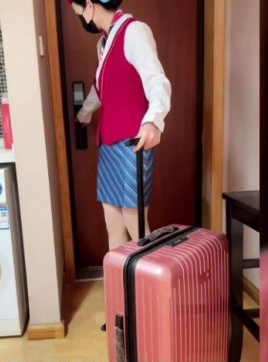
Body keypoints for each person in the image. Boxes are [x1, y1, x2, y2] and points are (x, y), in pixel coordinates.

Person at [68, 0, 171, 250]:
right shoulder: (103, 43)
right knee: (112, 220)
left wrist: (154, 121)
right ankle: (117, 276)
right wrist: (84, 113)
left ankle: (147, 276)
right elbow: (99, 87)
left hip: (133, 143)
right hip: (109, 143)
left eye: (79, 13)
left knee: (135, 225)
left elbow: (156, 80)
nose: (81, 19)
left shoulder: (134, 31)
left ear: (90, 6)